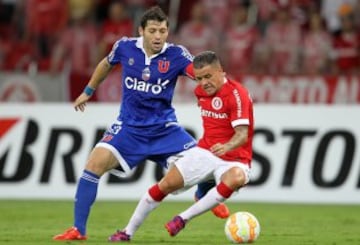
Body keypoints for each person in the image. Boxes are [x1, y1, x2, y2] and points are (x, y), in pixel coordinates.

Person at [52, 6, 228, 241]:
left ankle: (201, 193)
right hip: (128, 128)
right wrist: (88, 90)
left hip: (164, 129)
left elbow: (197, 73)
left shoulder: (176, 54)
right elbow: (106, 64)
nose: (158, 36)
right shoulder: (124, 47)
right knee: (93, 165)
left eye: (163, 31)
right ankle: (78, 230)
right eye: (153, 31)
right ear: (141, 31)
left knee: (206, 160)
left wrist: (218, 88)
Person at [108, 50, 254, 242]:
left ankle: (182, 218)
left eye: (208, 76)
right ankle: (127, 232)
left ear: (221, 72)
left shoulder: (237, 94)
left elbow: (242, 135)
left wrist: (227, 146)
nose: (204, 83)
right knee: (165, 185)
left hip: (235, 159)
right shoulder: (200, 91)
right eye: (199, 78)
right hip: (205, 152)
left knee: (236, 177)